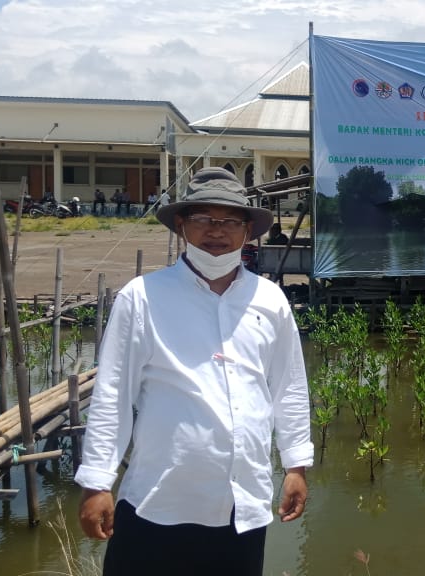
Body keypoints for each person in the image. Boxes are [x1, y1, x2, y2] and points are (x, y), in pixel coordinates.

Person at [76, 167, 312, 576]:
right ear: (182, 225)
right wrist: (98, 482)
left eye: (230, 221)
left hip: (242, 506)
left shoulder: (270, 300)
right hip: (158, 501)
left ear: (247, 231)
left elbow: (288, 388)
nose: (216, 231)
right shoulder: (143, 297)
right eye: (203, 218)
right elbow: (113, 393)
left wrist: (295, 466)